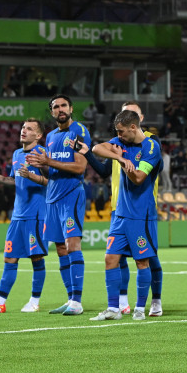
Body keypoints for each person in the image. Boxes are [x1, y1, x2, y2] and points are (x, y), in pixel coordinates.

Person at [79, 100, 164, 316]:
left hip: (140, 215)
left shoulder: (151, 147)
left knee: (142, 261)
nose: (118, 135)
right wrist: (119, 156)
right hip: (120, 214)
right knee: (110, 258)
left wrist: (126, 165)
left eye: (121, 131)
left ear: (133, 127)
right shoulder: (122, 143)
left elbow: (138, 178)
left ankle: (139, 308)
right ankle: (113, 308)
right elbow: (98, 148)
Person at [0, 119, 49, 313]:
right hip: (18, 216)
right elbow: (16, 179)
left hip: (37, 215)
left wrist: (33, 177)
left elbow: (54, 182)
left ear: (38, 135)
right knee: (9, 259)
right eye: (23, 127)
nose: (24, 131)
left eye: (30, 129)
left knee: (36, 258)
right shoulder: (16, 154)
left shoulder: (42, 153)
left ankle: (34, 301)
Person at [25, 94, 90, 316]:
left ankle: (78, 302)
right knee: (60, 248)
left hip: (71, 195)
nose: (60, 109)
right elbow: (54, 168)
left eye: (64, 105)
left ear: (71, 108)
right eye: (56, 107)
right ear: (52, 112)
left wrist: (47, 161)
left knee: (73, 246)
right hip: (52, 198)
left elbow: (80, 167)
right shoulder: (51, 137)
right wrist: (39, 163)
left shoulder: (79, 131)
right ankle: (70, 298)